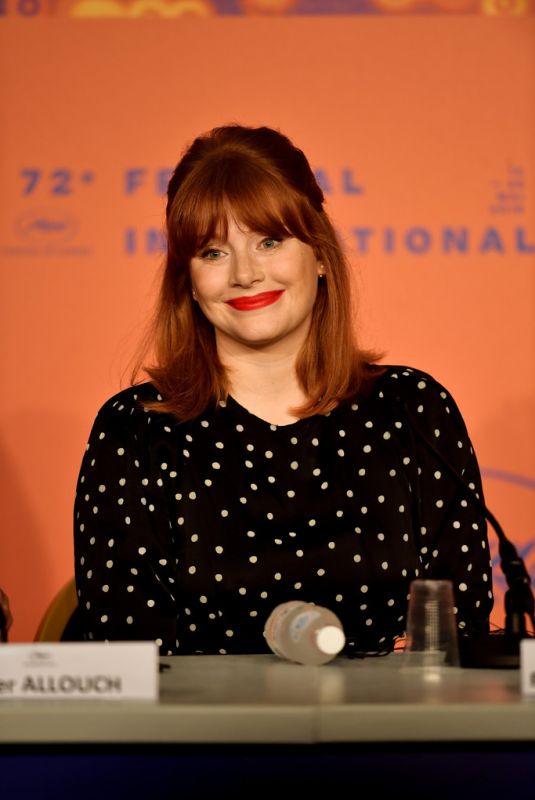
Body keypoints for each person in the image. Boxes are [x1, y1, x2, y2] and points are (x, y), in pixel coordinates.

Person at [73, 124, 493, 657]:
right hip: (200, 738)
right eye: (213, 252)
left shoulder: (412, 412)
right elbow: (125, 649)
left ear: (319, 255)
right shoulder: (134, 430)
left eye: (268, 241)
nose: (246, 274)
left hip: (388, 733)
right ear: (188, 281)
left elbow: (459, 629)